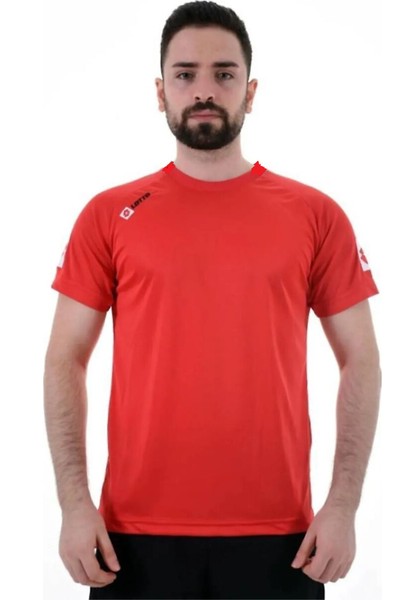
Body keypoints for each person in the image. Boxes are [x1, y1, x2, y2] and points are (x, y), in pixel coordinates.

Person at [43, 1, 381, 598]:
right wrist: (74, 505)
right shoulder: (108, 215)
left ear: (250, 91)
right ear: (160, 92)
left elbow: (362, 359)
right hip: (131, 539)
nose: (204, 90)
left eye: (224, 74)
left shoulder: (316, 215)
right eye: (185, 74)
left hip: (283, 537)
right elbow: (64, 359)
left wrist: (343, 505)